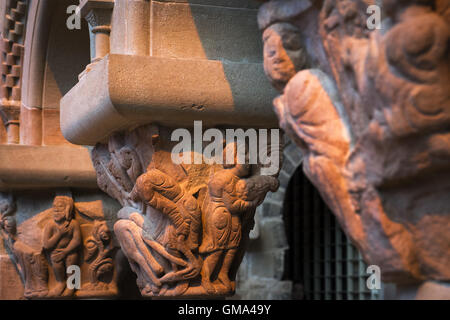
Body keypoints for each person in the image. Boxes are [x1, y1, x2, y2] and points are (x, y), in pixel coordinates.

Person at [43, 196, 81, 297]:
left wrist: (65, 252)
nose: (56, 209)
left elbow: (77, 241)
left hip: (69, 251)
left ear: (68, 209)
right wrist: (59, 234)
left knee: (72, 260)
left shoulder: (73, 224)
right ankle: (60, 283)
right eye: (54, 206)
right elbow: (46, 245)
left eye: (60, 206)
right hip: (56, 252)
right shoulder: (50, 225)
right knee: (55, 260)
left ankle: (72, 285)